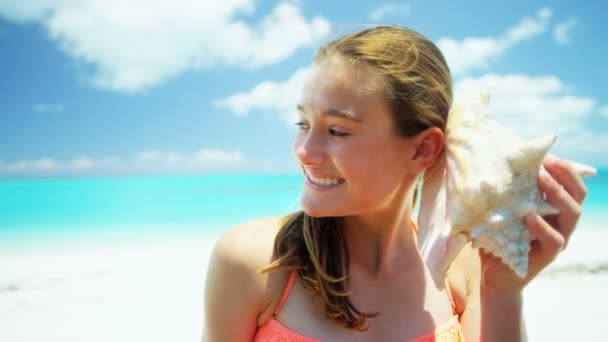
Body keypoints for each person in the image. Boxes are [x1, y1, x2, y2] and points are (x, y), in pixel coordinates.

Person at [203, 25, 589, 342]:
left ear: (423, 150)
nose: (306, 151)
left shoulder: (464, 269)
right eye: (303, 124)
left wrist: (504, 292)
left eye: (337, 130)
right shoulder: (258, 265)